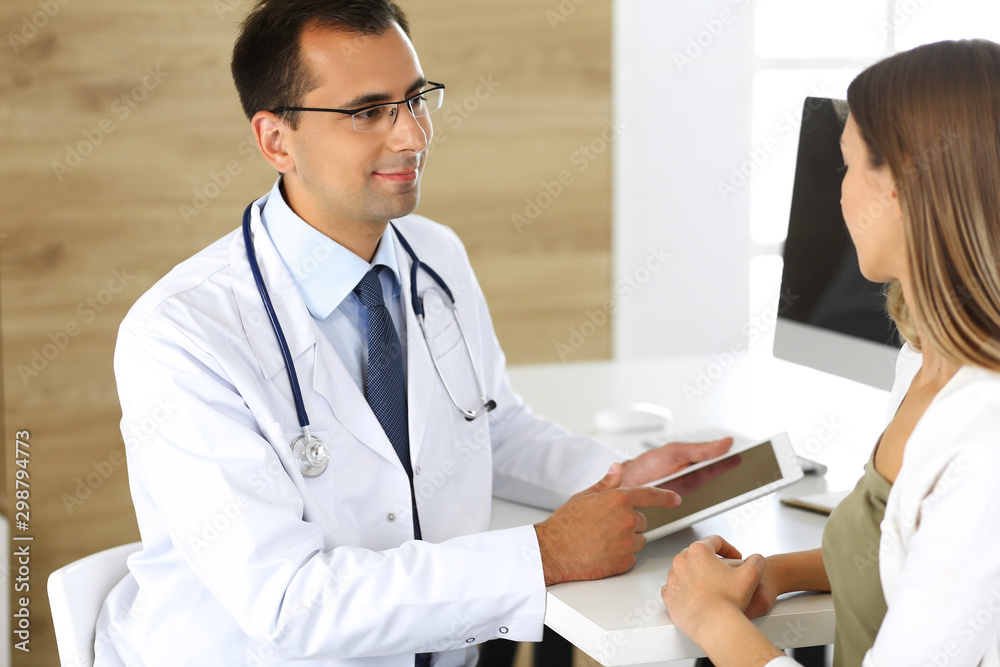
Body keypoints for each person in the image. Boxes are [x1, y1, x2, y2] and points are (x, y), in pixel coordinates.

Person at [92, 1, 732, 665]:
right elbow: (287, 603)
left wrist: (618, 474)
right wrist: (545, 553)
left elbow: (491, 427)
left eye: (416, 99)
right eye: (368, 112)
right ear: (276, 140)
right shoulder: (180, 335)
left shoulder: (435, 256)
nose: (414, 137)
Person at [661, 38, 1000, 667]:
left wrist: (712, 620)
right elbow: (909, 547)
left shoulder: (985, 438)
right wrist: (776, 571)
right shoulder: (927, 358)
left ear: (903, 185)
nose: (838, 193)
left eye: (847, 167)